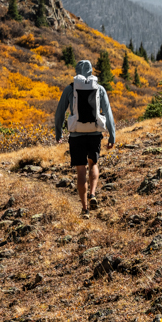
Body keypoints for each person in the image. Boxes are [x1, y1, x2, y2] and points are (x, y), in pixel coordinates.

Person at [54, 59, 116, 212]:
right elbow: (108, 112)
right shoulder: (99, 88)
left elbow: (60, 112)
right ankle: (92, 194)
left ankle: (84, 209)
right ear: (91, 71)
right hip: (95, 133)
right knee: (93, 164)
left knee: (81, 170)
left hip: (76, 134)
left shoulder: (70, 88)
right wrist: (112, 135)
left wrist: (58, 133)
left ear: (77, 71)